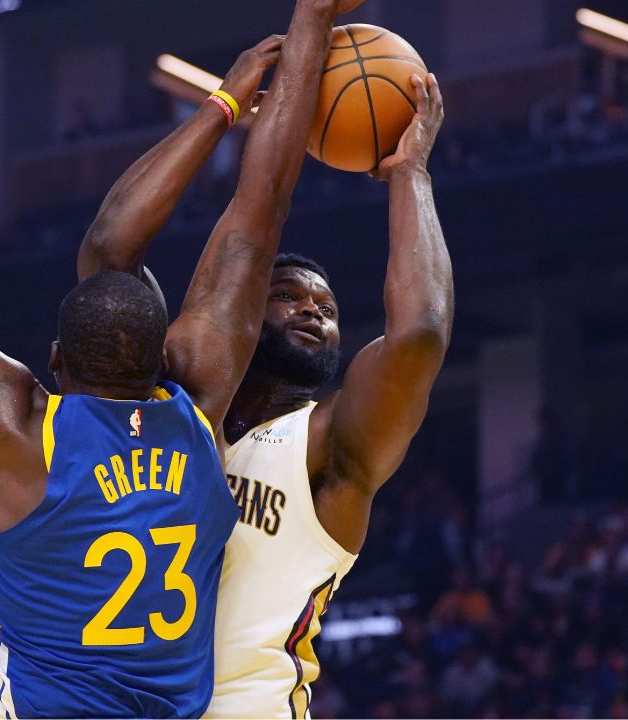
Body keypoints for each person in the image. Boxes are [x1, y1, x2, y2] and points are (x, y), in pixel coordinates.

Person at [0, 4, 296, 716]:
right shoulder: (198, 411)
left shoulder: (21, 434)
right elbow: (251, 230)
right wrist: (288, 49)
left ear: (55, 362)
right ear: (163, 360)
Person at [79, 24, 452, 720]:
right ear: (245, 313)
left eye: (327, 309)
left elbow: (419, 336)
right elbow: (108, 256)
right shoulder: (172, 398)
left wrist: (410, 174)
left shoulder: (328, 445)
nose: (312, 311)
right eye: (289, 296)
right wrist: (219, 108)